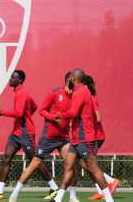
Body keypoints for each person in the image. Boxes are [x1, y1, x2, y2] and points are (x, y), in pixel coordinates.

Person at [8, 72, 79, 202]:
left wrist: (70, 122)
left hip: (64, 138)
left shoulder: (75, 96)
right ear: (70, 80)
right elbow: (42, 110)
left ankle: (73, 197)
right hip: (48, 137)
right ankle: (14, 194)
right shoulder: (55, 93)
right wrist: (53, 117)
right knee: (34, 165)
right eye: (76, 81)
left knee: (71, 166)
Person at [50, 68, 115, 202]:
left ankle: (109, 199)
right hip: (76, 139)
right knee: (68, 167)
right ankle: (58, 199)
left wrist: (58, 115)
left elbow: (73, 113)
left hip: (84, 138)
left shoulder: (79, 93)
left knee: (93, 169)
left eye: (69, 79)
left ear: (73, 78)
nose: (68, 81)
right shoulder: (84, 92)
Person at [0, 70, 59, 199]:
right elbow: (33, 106)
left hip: (25, 133)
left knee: (35, 161)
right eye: (10, 76)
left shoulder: (22, 92)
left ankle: (54, 187)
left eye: (13, 77)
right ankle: (0, 192)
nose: (10, 79)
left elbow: (19, 113)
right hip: (16, 132)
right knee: (6, 158)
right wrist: (27, 117)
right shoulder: (21, 91)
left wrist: (3, 112)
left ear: (19, 80)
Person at [82, 75, 120, 200]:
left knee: (89, 165)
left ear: (86, 86)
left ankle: (111, 181)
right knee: (85, 165)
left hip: (96, 136)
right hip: (89, 135)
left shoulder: (91, 99)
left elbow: (98, 118)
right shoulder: (85, 98)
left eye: (81, 85)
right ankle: (100, 191)